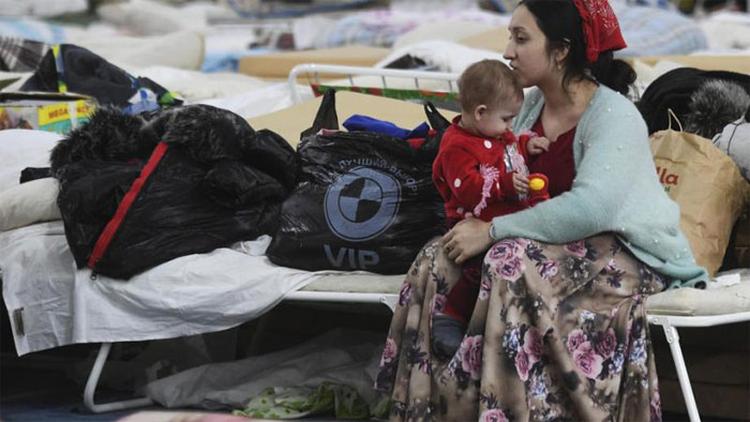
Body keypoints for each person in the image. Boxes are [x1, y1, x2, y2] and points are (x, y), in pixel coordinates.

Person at [374, 0, 708, 421]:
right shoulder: (525, 108)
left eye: (521, 38)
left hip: (624, 253)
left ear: (561, 50)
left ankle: (515, 411)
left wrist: (491, 230)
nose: (508, 51)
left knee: (509, 261)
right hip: (547, 245)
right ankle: (433, 410)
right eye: (509, 37)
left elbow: (591, 209)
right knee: (438, 258)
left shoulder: (613, 116)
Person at [431, 59, 552, 359]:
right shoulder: (457, 146)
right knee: (479, 267)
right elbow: (468, 190)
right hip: (472, 219)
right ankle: (452, 314)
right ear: (480, 112)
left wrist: (526, 146)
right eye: (507, 119)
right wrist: (505, 185)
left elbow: (509, 151)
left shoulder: (495, 133)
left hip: (505, 215)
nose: (511, 127)